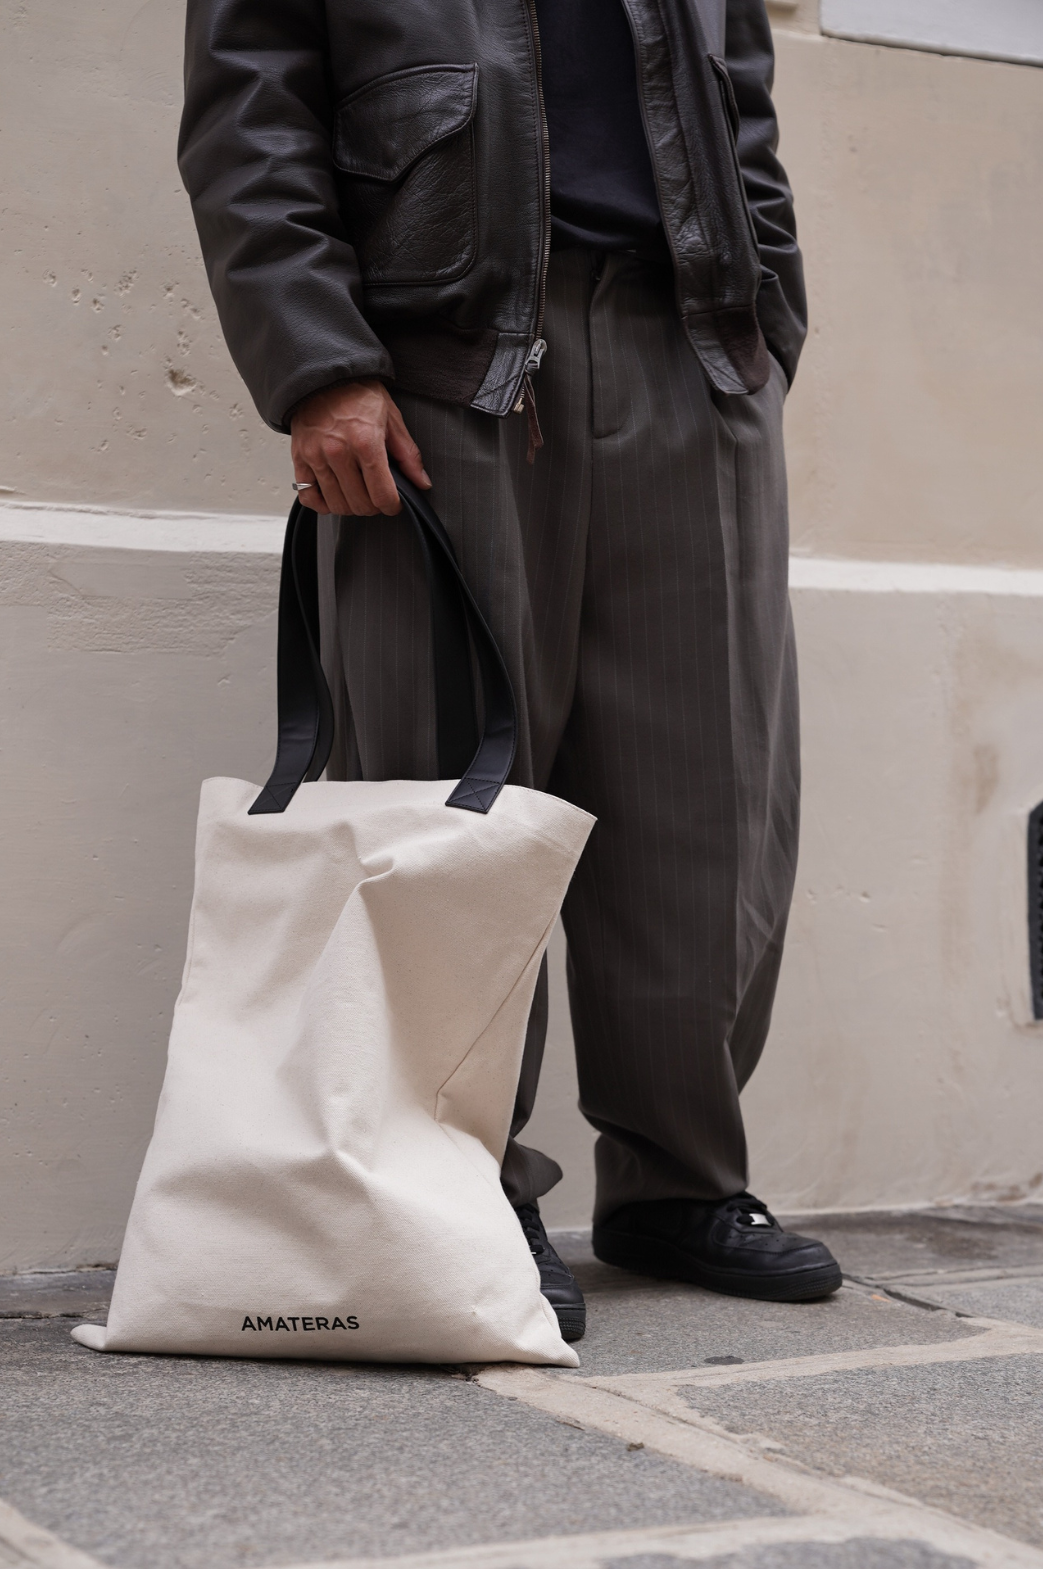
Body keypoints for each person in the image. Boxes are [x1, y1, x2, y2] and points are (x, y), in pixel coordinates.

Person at [179, 0, 842, 1344]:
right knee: (443, 798)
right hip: (440, 361)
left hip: (691, 350)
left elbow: (738, 107)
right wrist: (317, 365)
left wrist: (764, 324)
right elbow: (250, 118)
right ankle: (458, 1185)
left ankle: (678, 1181)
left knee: (706, 799)